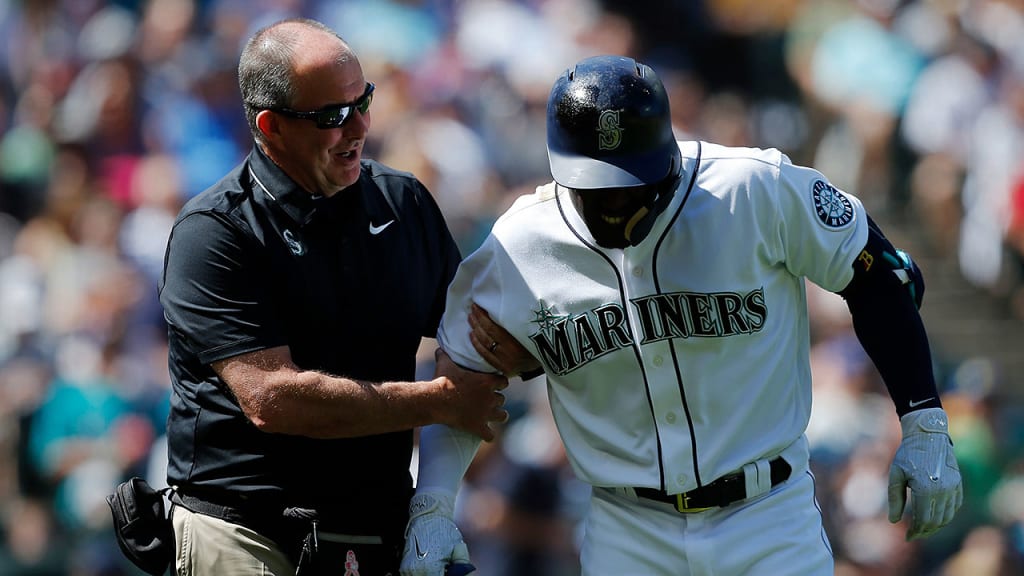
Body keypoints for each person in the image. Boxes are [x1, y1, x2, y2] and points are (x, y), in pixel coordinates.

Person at [400, 55, 963, 575]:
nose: (618, 202)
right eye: (600, 188)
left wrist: (924, 421)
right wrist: (433, 506)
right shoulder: (520, 246)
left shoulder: (751, 190)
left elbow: (880, 276)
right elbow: (460, 379)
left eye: (632, 183)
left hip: (768, 517)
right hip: (627, 530)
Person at [157, 18, 510, 576]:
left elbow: (479, 338)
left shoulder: (403, 203)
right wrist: (439, 400)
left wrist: (437, 501)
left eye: (363, 101)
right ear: (270, 127)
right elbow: (274, 399)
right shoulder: (215, 231)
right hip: (245, 529)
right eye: (332, 116)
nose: (360, 126)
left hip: (378, 527)